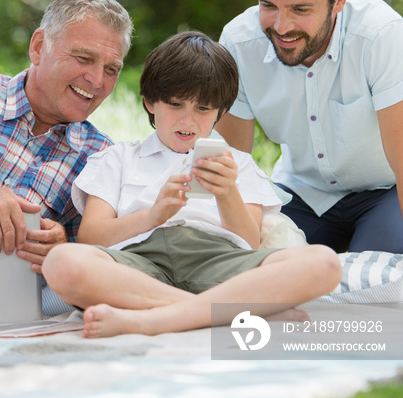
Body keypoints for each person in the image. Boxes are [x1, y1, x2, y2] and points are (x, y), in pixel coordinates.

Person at [43, 31, 341, 338]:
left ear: (220, 113)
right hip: (140, 265)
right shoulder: (117, 159)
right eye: (175, 104)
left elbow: (249, 242)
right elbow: (92, 238)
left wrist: (227, 193)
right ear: (150, 103)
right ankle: (218, 314)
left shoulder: (237, 163)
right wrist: (152, 216)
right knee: (62, 262)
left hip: (221, 264)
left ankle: (159, 319)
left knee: (324, 263)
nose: (188, 120)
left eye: (203, 109)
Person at [0, 0, 133, 305]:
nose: (98, 81)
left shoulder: (102, 159)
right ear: (39, 47)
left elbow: (103, 263)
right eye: (84, 58)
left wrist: (62, 252)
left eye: (111, 69)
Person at [217, 0, 403, 254]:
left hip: (385, 193)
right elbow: (234, 169)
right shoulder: (238, 43)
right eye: (268, 5)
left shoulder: (382, 36)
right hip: (300, 195)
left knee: (378, 279)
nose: (281, 26)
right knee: (262, 268)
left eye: (300, 9)